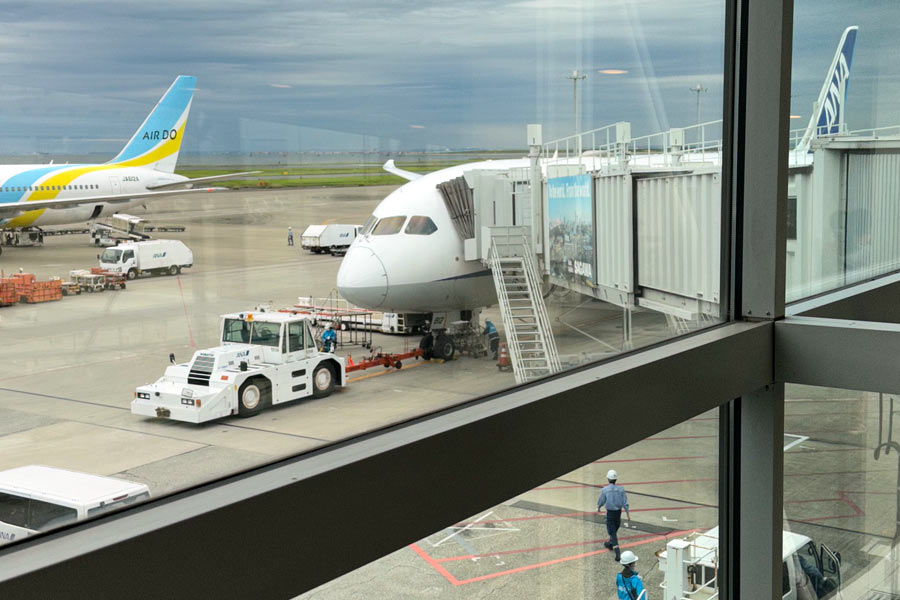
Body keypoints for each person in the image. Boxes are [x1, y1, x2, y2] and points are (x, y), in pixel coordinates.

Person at [597, 469, 631, 561]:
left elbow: (601, 500)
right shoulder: (621, 489)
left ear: (608, 479)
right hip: (618, 513)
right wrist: (627, 513)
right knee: (614, 530)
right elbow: (625, 502)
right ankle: (611, 543)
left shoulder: (605, 490)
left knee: (612, 532)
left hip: (610, 514)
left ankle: (617, 552)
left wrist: (599, 507)